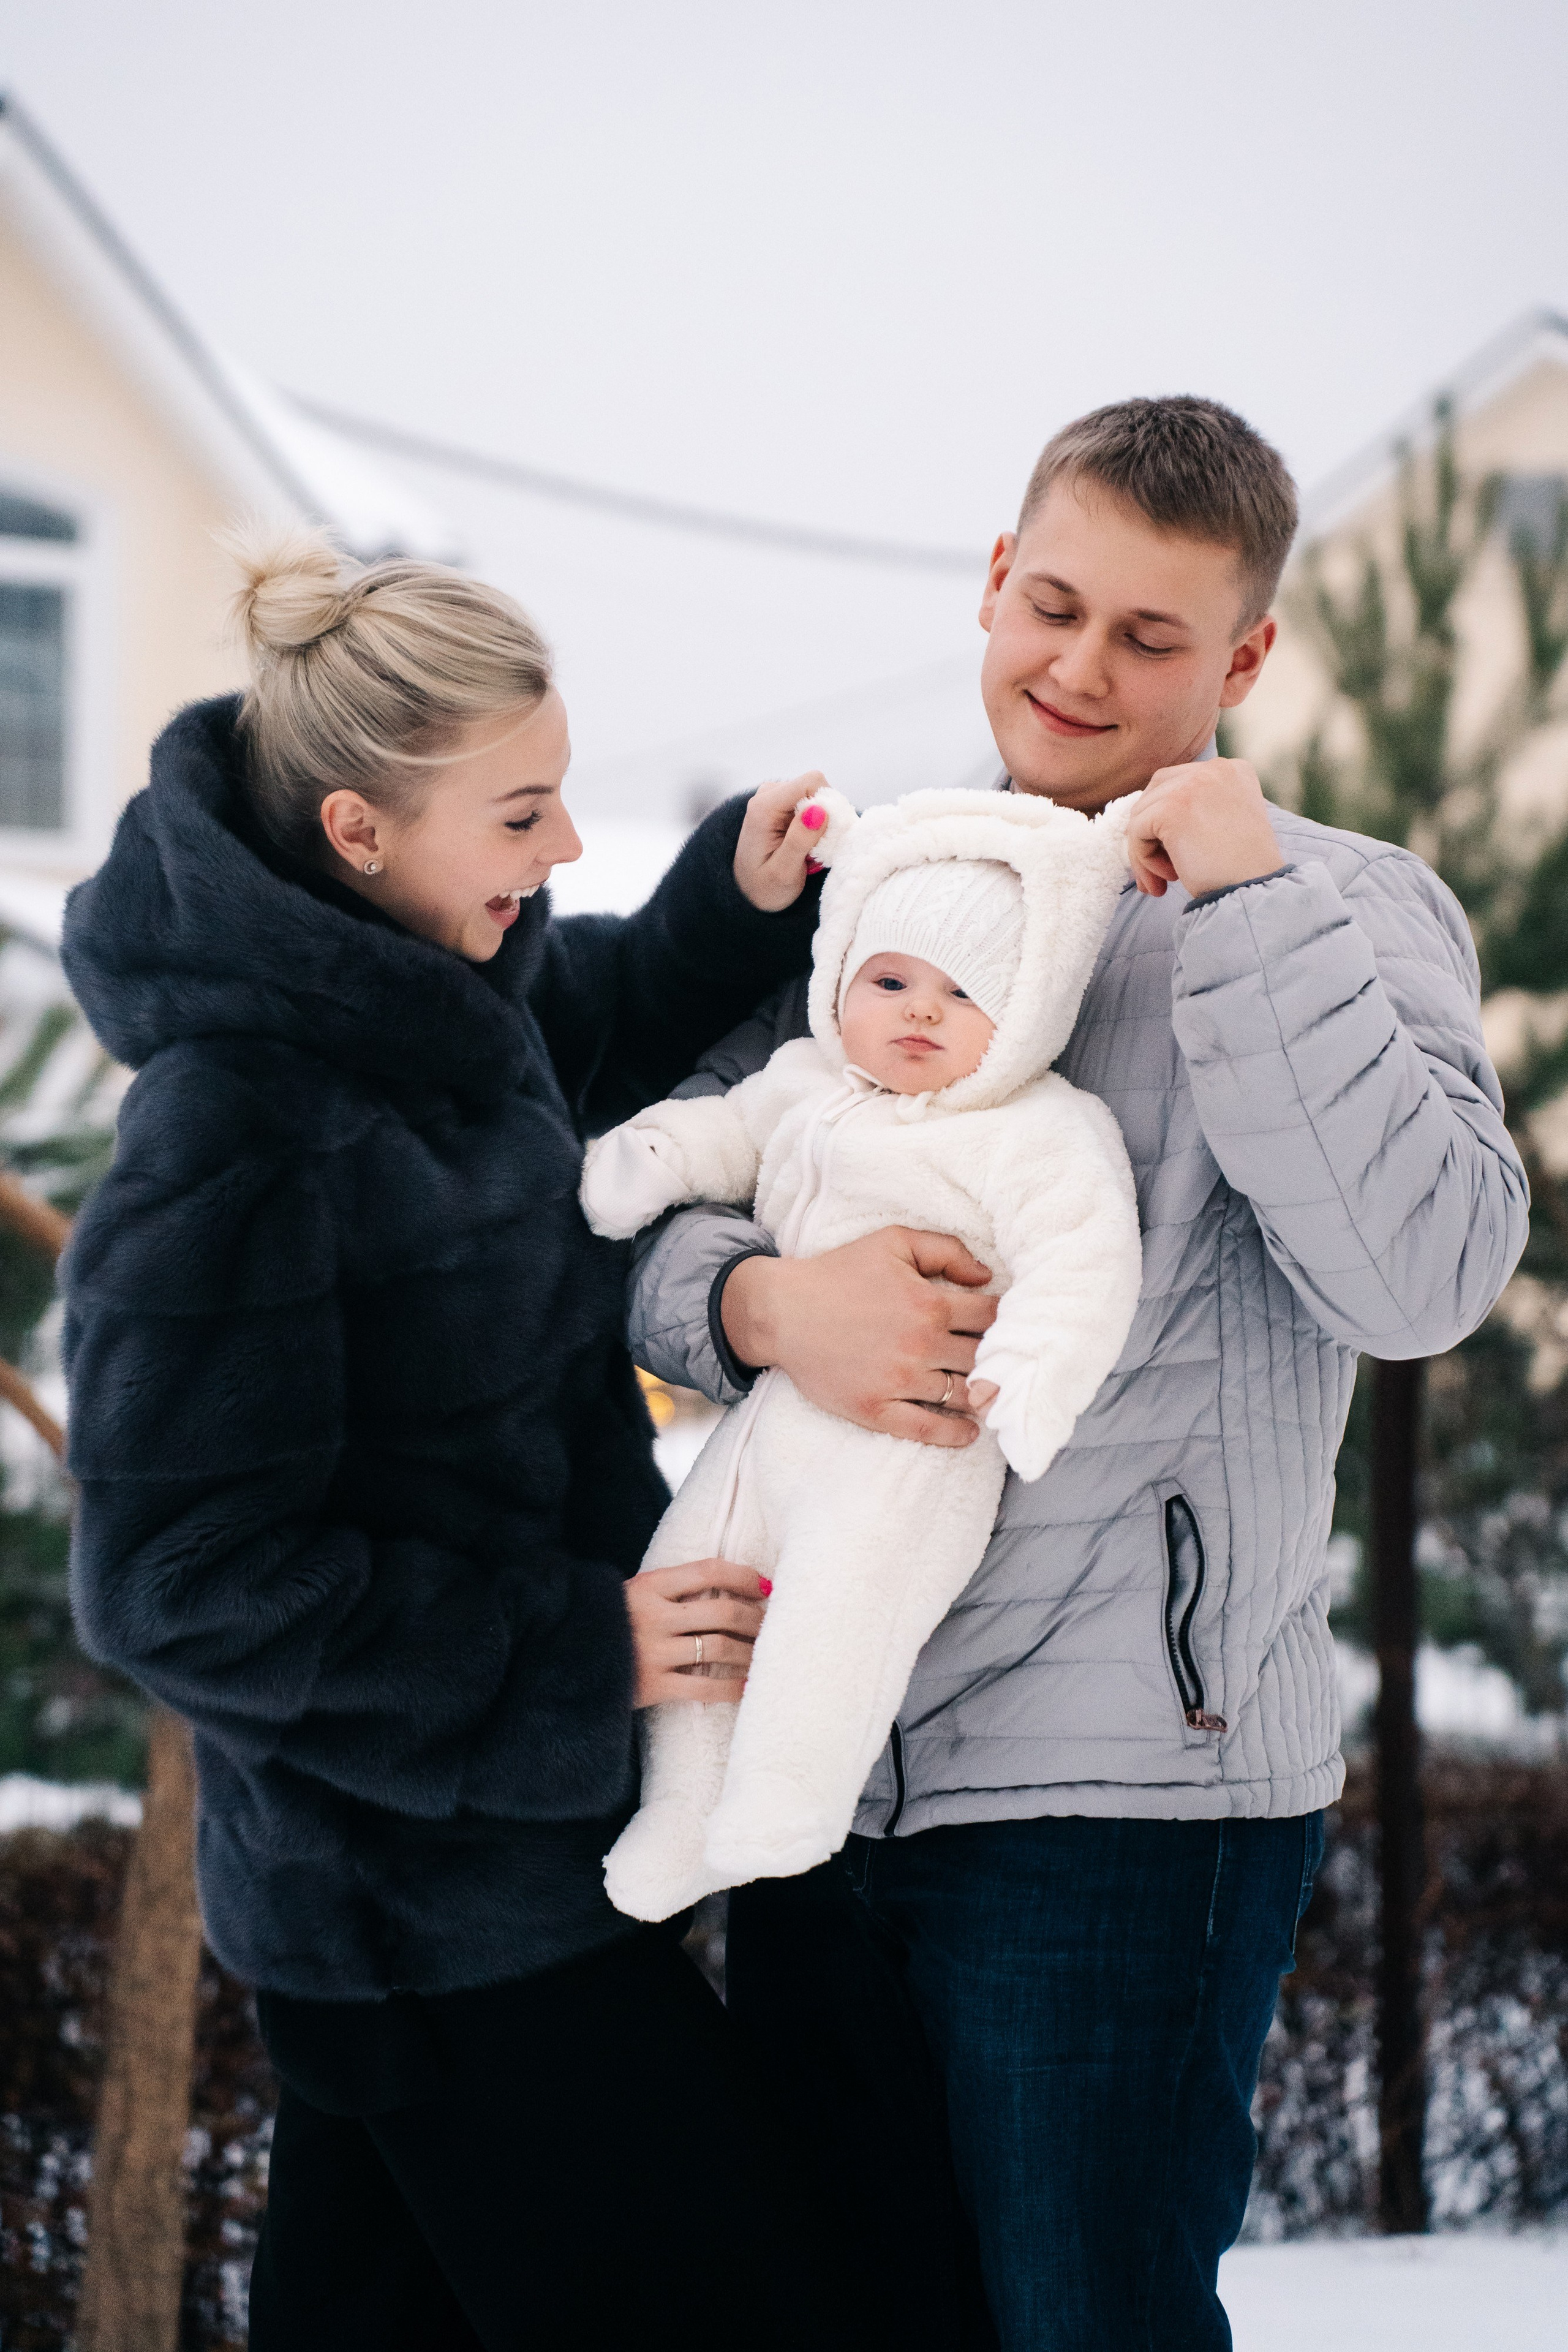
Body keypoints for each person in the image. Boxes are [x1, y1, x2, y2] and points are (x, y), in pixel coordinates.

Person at [626, 397, 1532, 2349]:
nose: (1081, 667)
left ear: (1245, 657)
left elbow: (1426, 1278)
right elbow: (670, 1189)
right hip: (827, 1769)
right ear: (992, 582)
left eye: (1151, 634)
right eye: (1054, 605)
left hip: (1131, 1796)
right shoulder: (891, 887)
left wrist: (1252, 915)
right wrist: (767, 1310)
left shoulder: (1346, 907)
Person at [59, 527, 838, 2351]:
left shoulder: (433, 1000)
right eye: (520, 814)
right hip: (430, 1927)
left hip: (489, 1891)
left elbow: (587, 1029)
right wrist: (573, 1652)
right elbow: (179, 1586)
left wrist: (729, 902)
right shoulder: (233, 1128)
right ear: (358, 831)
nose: (561, 850)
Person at [581, 785, 1141, 1924]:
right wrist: (653, 1155)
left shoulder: (1040, 1127)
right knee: (702, 1581)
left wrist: (1032, 1377)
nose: (921, 1010)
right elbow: (730, 1130)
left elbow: (1085, 1255)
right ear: (840, 978)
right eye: (890, 981)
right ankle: (683, 1810)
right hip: (776, 1417)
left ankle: (787, 1803)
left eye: (965, 993)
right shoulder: (808, 1080)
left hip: (916, 1444)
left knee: (840, 1609)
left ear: (1025, 1015)